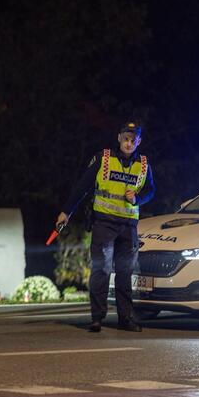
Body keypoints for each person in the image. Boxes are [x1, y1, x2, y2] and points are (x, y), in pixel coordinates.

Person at [56, 121, 155, 332]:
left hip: (128, 227)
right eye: (126, 139)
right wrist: (67, 211)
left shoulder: (144, 164)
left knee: (125, 273)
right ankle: (97, 318)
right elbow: (83, 185)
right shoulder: (104, 158)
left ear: (139, 141)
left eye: (133, 140)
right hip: (104, 224)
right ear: (119, 138)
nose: (129, 143)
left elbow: (150, 190)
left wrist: (137, 198)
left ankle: (125, 318)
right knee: (101, 270)